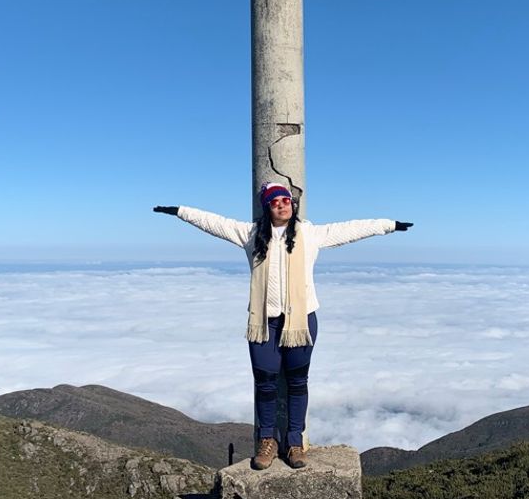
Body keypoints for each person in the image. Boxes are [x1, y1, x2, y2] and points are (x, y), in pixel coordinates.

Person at [154, 183, 412, 470]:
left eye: (285, 200)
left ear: (292, 204)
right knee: (265, 384)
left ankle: (294, 442)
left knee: (297, 383)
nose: (281, 205)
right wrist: (179, 211)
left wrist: (389, 225)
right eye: (274, 201)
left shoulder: (310, 234)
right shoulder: (251, 235)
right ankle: (267, 442)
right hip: (264, 323)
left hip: (301, 321)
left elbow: (351, 229)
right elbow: (214, 222)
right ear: (267, 206)